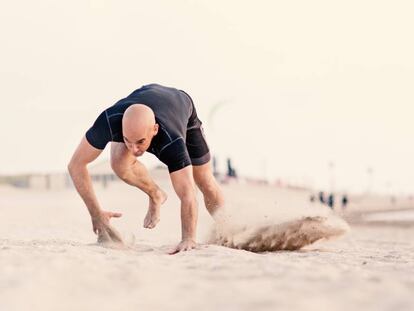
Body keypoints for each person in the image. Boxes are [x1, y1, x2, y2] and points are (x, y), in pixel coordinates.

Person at [68, 83, 225, 254]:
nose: (134, 150)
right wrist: (96, 213)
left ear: (154, 130)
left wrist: (188, 238)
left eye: (140, 142)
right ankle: (155, 194)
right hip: (143, 98)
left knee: (204, 180)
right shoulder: (108, 121)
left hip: (180, 105)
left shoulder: (172, 141)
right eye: (127, 140)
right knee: (119, 163)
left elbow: (188, 194)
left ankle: (227, 228)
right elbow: (76, 165)